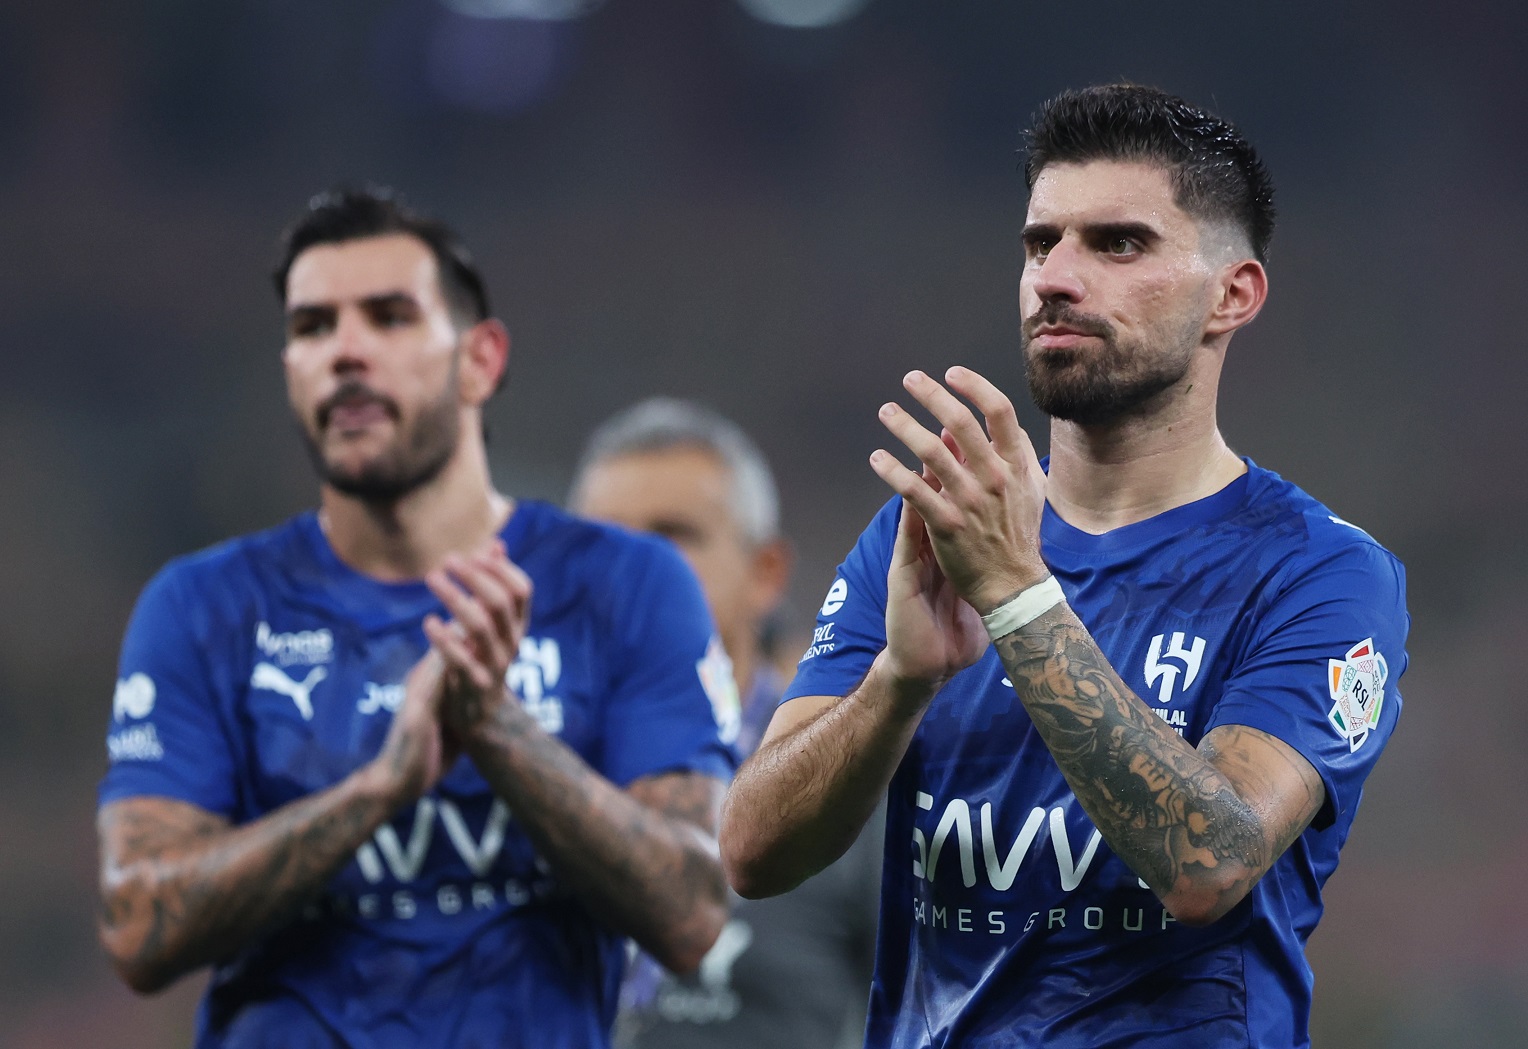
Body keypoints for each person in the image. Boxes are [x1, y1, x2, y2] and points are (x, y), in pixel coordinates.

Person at [720, 84, 1409, 1049]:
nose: (1056, 277)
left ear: (1233, 294)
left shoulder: (1321, 573)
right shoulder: (929, 531)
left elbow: (1208, 861)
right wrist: (897, 681)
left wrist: (1014, 593)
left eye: (1117, 244)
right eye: (1041, 244)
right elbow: (751, 850)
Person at [95, 187, 738, 1049]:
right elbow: (138, 925)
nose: (346, 352)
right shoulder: (206, 607)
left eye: (390, 317)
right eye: (313, 326)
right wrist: (380, 787)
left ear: (481, 358)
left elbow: (693, 912)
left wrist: (498, 733)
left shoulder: (624, 584)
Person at [570, 398, 882, 1049]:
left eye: (672, 534)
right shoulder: (515, 774)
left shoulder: (856, 784)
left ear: (766, 573)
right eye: (602, 540)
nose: (634, 568)